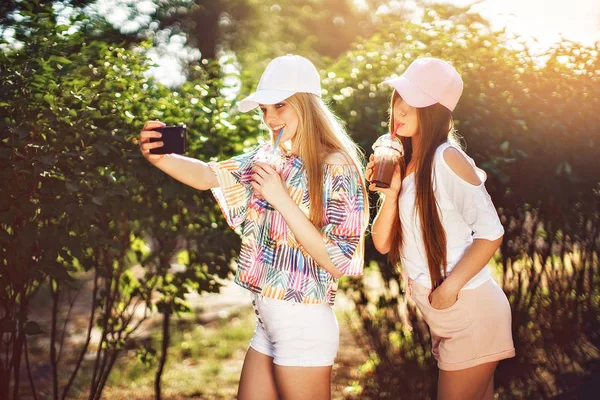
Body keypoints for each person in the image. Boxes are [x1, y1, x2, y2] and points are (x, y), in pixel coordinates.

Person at [139, 54, 369, 400]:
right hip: (268, 322)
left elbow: (339, 260)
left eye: (280, 105)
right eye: (264, 109)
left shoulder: (336, 167)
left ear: (307, 106)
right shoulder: (270, 156)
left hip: (302, 325)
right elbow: (209, 176)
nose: (270, 118)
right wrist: (161, 158)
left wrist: (280, 198)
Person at [367, 57, 515, 400]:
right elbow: (383, 243)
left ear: (434, 111)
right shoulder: (406, 162)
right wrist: (390, 195)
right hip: (445, 316)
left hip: (470, 310)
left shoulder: (447, 159)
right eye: (398, 100)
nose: (399, 111)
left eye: (412, 104)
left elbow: (491, 232)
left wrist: (448, 290)